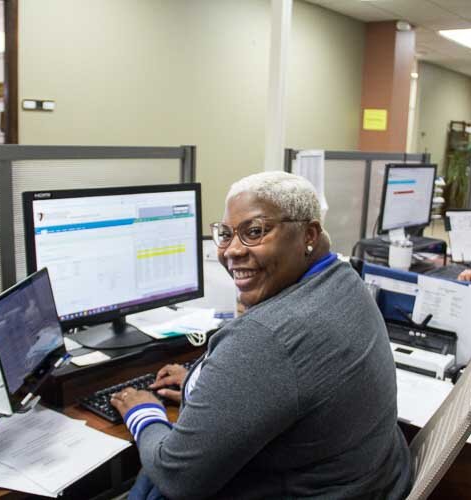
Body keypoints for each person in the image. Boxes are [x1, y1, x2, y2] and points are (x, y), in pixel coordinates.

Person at [110, 171, 411, 499]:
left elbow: (177, 478)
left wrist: (144, 413)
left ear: (308, 234)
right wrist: (215, 390)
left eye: (255, 232)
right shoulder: (344, 281)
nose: (231, 251)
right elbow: (286, 381)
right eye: (225, 234)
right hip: (371, 482)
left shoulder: (267, 337)